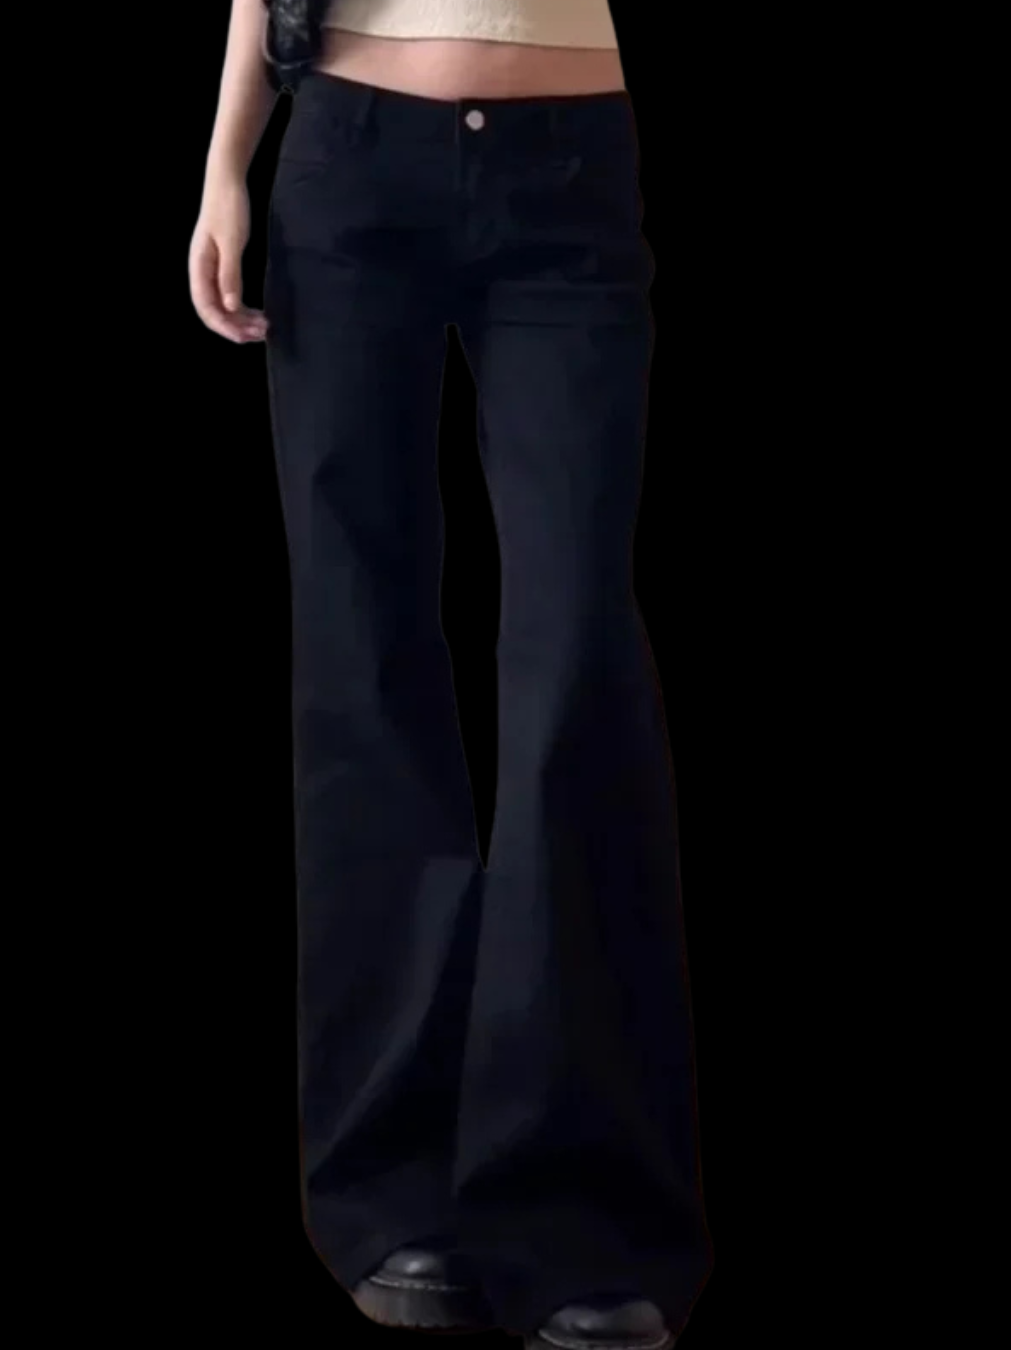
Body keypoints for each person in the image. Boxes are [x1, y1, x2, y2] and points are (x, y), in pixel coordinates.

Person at [187, 4, 713, 1347]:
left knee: (574, 664)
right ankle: (391, 1193)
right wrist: (229, 158)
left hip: (571, 161)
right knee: (361, 662)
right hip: (348, 155)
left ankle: (582, 1211)